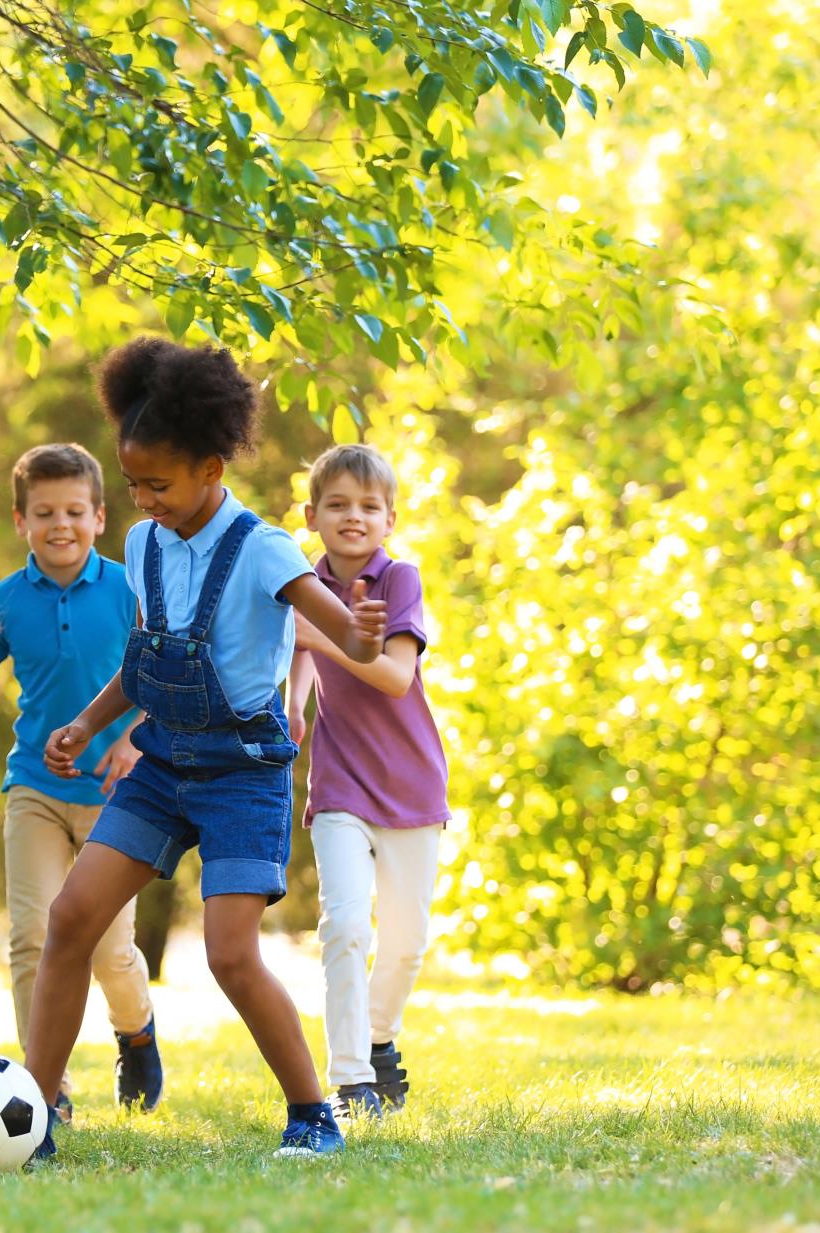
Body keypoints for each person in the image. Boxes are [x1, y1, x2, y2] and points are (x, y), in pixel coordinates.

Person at [23, 337, 388, 1161]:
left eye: (160, 483)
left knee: (229, 953)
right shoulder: (147, 546)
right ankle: (37, 1112)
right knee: (71, 916)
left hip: (242, 775)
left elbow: (348, 642)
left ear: (212, 469)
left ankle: (312, 1112)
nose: (144, 500)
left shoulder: (261, 547)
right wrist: (88, 722)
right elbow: (147, 655)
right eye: (134, 484)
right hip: (161, 764)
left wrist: (363, 636)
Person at [0, 443, 161, 1122]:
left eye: (74, 511)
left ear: (99, 516)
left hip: (118, 794)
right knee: (32, 936)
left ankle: (136, 1031)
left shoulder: (130, 587)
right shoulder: (1, 603)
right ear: (21, 520)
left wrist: (136, 739)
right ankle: (45, 1085)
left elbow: (161, 670)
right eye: (44, 512)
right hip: (36, 789)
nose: (60, 525)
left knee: (110, 949)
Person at [287, 444, 450, 1123]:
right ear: (312, 514)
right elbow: (295, 645)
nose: (353, 516)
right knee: (346, 922)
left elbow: (393, 675)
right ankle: (351, 1077)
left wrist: (326, 636)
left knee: (407, 940)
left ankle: (379, 1037)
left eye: (368, 506)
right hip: (341, 782)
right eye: (338, 504)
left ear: (389, 518)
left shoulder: (399, 579)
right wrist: (293, 706)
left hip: (412, 782)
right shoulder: (304, 585)